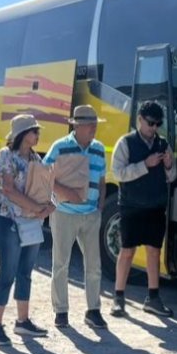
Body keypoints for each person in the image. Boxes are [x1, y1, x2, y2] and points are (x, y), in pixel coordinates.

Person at [0, 114, 55, 345]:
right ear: (22, 134)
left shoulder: (36, 158)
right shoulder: (6, 155)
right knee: (7, 272)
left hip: (30, 219)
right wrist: (37, 208)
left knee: (25, 271)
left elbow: (42, 187)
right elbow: (8, 189)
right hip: (8, 218)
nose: (38, 135)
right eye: (34, 131)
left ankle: (22, 321)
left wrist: (48, 206)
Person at [110, 101, 177, 319]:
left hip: (156, 206)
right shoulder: (126, 143)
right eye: (150, 123)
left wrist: (168, 165)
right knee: (127, 250)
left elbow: (172, 177)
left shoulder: (163, 144)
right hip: (131, 206)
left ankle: (153, 299)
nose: (154, 128)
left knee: (154, 251)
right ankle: (118, 298)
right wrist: (145, 165)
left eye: (158, 124)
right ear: (139, 119)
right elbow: (118, 173)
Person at [45, 105, 109, 331]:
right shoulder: (59, 147)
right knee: (60, 264)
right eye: (90, 125)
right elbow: (45, 176)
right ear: (78, 126)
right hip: (64, 213)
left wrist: (100, 206)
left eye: (95, 124)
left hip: (91, 215)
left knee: (94, 265)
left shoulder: (99, 149)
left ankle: (93, 310)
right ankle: (61, 311)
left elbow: (102, 181)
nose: (94, 128)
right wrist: (66, 192)